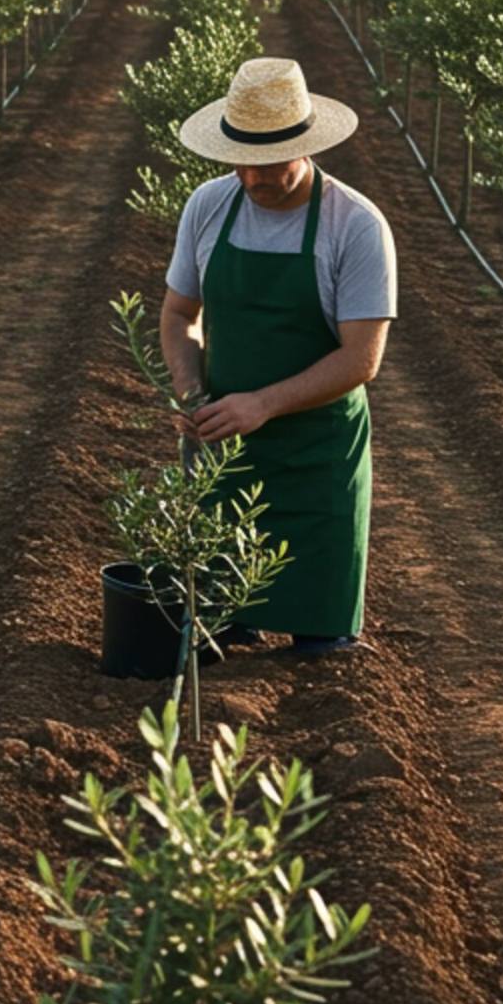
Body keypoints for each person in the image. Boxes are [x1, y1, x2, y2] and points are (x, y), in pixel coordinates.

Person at [159, 56, 396, 657]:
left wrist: (262, 404)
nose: (255, 177)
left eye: (271, 163)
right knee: (218, 629)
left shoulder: (357, 227)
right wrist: (192, 393)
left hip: (318, 455)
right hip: (225, 449)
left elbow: (361, 359)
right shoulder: (208, 206)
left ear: (306, 146)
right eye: (243, 161)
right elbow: (178, 315)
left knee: (322, 650)